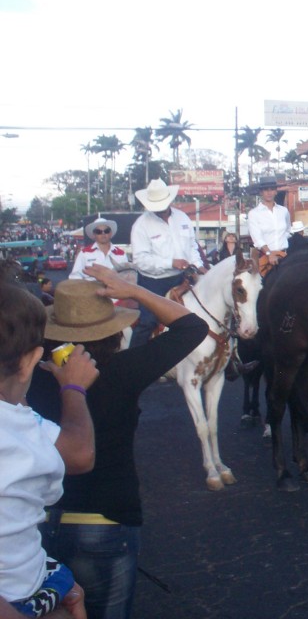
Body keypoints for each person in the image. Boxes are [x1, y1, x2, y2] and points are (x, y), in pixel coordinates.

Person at [28, 265, 208, 619]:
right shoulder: (125, 369)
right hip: (106, 518)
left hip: (40, 519)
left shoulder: (31, 374)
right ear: (111, 330)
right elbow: (193, 326)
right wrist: (134, 290)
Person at [0, 281, 97, 619]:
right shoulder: (20, 428)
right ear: (30, 362)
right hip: (21, 594)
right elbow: (79, 454)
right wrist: (73, 387)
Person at [129, 179, 205, 348]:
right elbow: (140, 261)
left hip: (182, 277)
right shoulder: (141, 225)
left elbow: (192, 247)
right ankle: (133, 361)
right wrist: (170, 263)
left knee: (207, 310)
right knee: (147, 322)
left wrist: (198, 265)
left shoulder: (182, 217)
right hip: (153, 282)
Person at [247, 177, 291, 272]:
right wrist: (269, 253)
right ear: (261, 192)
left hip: (284, 256)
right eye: (266, 190)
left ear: (276, 191)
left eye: (272, 189)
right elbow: (257, 238)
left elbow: (288, 229)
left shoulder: (284, 211)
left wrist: (282, 239)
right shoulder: (254, 213)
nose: (269, 192)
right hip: (264, 257)